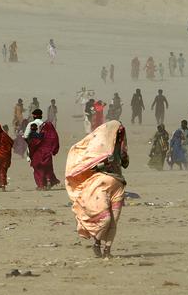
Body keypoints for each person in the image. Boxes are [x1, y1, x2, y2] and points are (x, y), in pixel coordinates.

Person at [65, 120, 130, 258]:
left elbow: (125, 164)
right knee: (105, 219)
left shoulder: (121, 149)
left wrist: (122, 156)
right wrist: (105, 162)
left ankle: (107, 249)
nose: (120, 135)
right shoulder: (100, 148)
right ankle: (97, 242)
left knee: (114, 220)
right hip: (100, 184)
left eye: (121, 133)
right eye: (118, 133)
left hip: (118, 184)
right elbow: (92, 166)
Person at [25, 110, 60, 189]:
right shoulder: (47, 128)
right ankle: (48, 181)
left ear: (34, 116)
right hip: (47, 152)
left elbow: (26, 136)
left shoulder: (32, 125)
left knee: (38, 167)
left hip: (36, 151)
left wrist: (31, 145)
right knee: (47, 168)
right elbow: (54, 139)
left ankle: (41, 185)